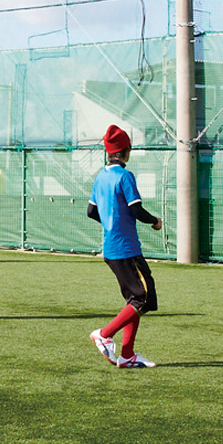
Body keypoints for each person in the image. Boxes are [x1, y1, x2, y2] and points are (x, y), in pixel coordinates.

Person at [86, 125, 161, 369]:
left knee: (133, 300)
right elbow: (136, 209)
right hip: (126, 248)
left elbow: (91, 211)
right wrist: (155, 221)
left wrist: (110, 223)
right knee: (143, 298)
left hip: (111, 248)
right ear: (125, 151)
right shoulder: (125, 176)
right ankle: (104, 334)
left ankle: (127, 355)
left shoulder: (101, 176)